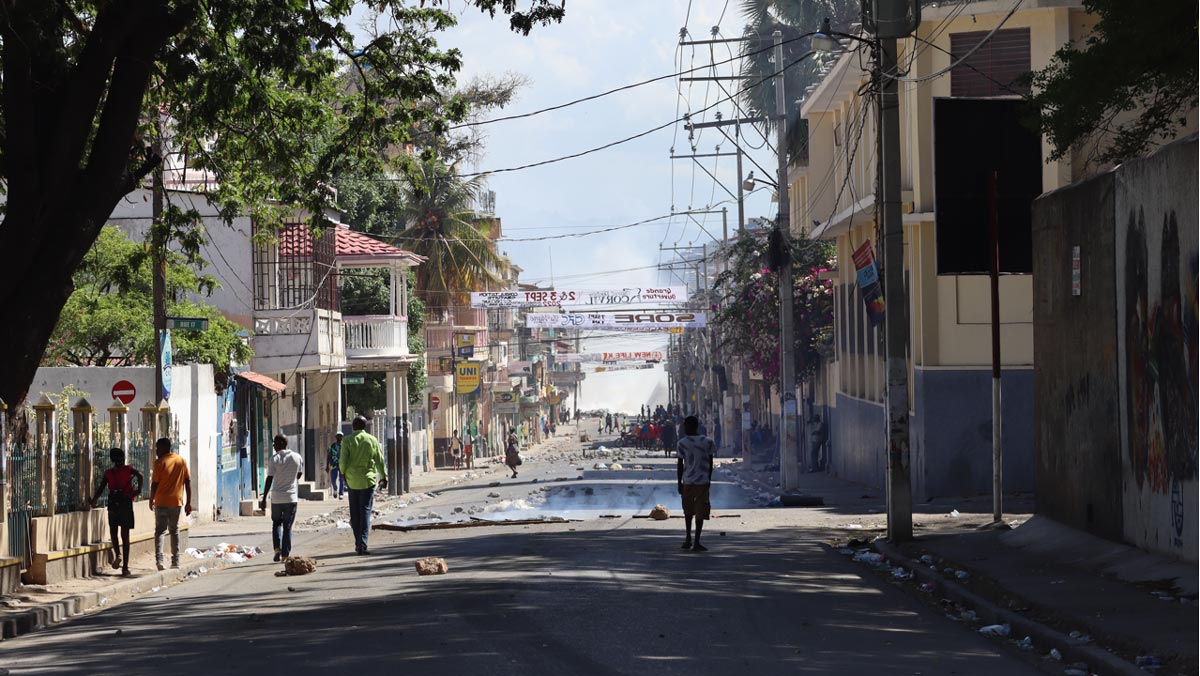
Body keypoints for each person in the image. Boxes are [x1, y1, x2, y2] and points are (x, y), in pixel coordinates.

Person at [90, 448, 143, 577]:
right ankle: (125, 567)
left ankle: (117, 554)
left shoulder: (108, 473)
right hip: (126, 502)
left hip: (113, 503)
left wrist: (93, 500)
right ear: (123, 457)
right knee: (125, 535)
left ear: (111, 459)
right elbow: (140, 475)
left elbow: (101, 488)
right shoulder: (128, 469)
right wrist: (137, 491)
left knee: (113, 531)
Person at [340, 416, 387, 555]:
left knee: (355, 514)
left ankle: (357, 542)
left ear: (353, 426)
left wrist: (343, 474)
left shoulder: (347, 440)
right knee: (365, 512)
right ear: (364, 427)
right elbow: (379, 460)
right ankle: (363, 543)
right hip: (367, 481)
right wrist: (383, 477)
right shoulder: (372, 440)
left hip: (352, 481)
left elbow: (343, 461)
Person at [149, 438, 192, 570]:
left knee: (160, 531)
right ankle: (176, 561)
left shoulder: (159, 463)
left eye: (158, 448)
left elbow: (154, 484)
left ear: (164, 448)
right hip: (176, 502)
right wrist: (188, 502)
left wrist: (151, 499)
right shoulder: (181, 460)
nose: (156, 451)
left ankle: (159, 560)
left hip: (161, 502)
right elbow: (187, 482)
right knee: (174, 530)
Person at [260, 435, 304, 561]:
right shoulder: (297, 457)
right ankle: (285, 555)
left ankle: (277, 549)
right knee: (288, 526)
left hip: (277, 498)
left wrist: (264, 498)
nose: (273, 445)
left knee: (276, 524)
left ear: (281, 443)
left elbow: (269, 479)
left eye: (274, 443)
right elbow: (299, 475)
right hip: (291, 498)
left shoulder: (274, 459)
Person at [676, 416, 716, 552]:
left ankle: (689, 539)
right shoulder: (708, 442)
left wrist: (679, 483)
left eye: (686, 426)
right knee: (699, 511)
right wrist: (709, 479)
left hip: (688, 481)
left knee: (689, 511)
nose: (684, 428)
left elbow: (680, 466)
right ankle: (695, 541)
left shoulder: (682, 443)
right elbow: (711, 463)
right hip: (702, 482)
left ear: (690, 426)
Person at [326, 433, 346, 499]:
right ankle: (335, 488)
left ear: (342, 437)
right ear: (336, 437)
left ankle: (341, 493)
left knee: (342, 479)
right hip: (333, 464)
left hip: (342, 464)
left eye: (340, 436)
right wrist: (327, 465)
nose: (339, 437)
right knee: (333, 479)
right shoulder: (332, 446)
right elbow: (329, 456)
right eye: (338, 436)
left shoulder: (345, 446)